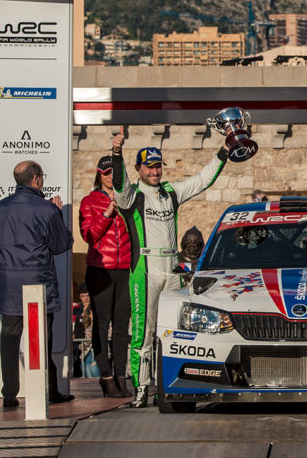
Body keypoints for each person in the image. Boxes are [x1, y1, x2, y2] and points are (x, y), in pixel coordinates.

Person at [111, 127, 230, 408]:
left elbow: (202, 181)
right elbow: (119, 185)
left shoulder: (170, 192)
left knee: (173, 330)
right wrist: (116, 153)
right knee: (143, 331)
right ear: (138, 169)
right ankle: (140, 389)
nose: (154, 172)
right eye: (149, 167)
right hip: (145, 268)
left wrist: (223, 153)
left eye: (157, 166)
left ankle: (173, 383)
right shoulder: (133, 196)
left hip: (171, 267)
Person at [0, 160, 74, 408]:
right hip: (38, 283)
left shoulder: (0, 208)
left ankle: (9, 393)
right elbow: (61, 245)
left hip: (9, 281)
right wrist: (57, 215)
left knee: (9, 338)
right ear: (36, 179)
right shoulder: (46, 209)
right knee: (42, 341)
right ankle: (48, 391)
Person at [78, 155, 133, 398]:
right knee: (102, 325)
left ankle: (121, 376)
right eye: (106, 173)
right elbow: (88, 235)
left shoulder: (128, 198)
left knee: (121, 326)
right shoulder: (89, 201)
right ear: (99, 175)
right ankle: (106, 376)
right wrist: (108, 212)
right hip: (100, 270)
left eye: (114, 173)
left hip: (124, 269)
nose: (111, 178)